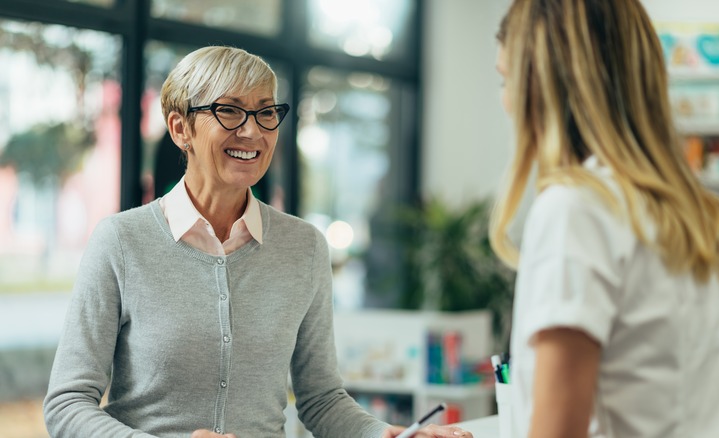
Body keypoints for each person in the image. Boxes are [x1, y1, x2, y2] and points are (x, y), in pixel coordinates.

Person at [43, 45, 471, 438]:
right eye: (229, 111)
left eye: (266, 113)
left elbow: (321, 399)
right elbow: (66, 404)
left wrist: (383, 435)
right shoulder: (121, 241)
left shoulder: (304, 247)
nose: (253, 132)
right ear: (180, 128)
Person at [489, 1, 719, 437]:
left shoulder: (575, 209)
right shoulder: (700, 218)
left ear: (541, 84)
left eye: (506, 79)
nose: (504, 102)